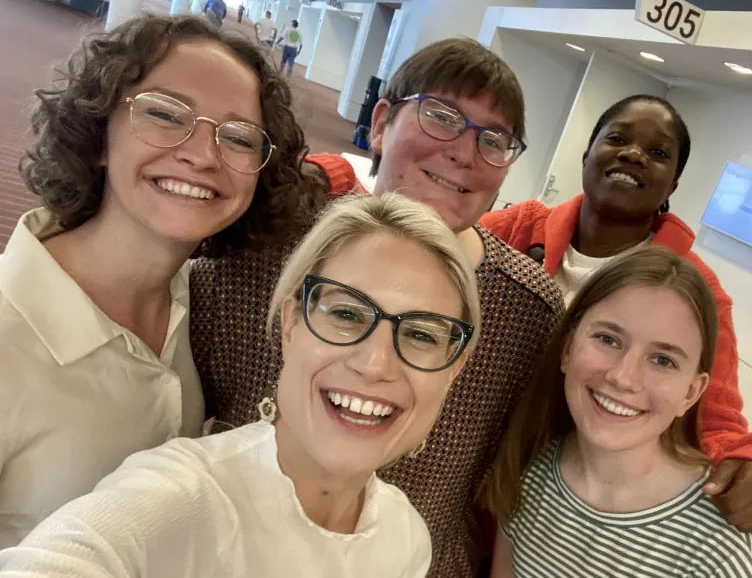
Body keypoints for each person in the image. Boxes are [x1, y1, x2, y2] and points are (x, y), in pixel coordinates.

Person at [189, 38, 564, 578]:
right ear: (383, 121)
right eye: (440, 116)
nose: (464, 152)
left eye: (494, 140)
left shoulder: (529, 310)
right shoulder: (267, 247)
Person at [0, 193, 481, 577]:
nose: (376, 364)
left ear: (453, 369)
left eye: (421, 334)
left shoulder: (406, 539)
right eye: (346, 313)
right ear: (291, 324)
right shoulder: (181, 499)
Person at [0, 14, 312, 550]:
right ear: (99, 134)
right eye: (166, 114)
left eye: (238, 137)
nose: (202, 154)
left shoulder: (201, 302)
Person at [479, 94, 752, 540]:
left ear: (672, 185)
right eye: (617, 138)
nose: (633, 154)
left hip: (552, 507)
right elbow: (425, 244)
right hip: (462, 465)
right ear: (588, 154)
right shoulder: (520, 227)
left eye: (658, 153)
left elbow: (716, 423)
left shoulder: (698, 293)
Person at [482, 246, 752, 577]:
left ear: (691, 394)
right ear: (568, 349)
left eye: (663, 360)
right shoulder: (529, 467)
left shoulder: (724, 552)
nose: (623, 377)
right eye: (608, 339)